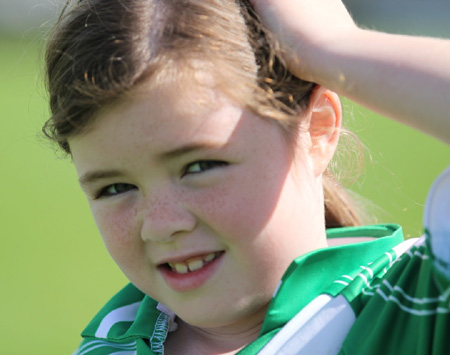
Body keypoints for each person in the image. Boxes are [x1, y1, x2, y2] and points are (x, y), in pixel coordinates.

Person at [42, 0, 450, 354]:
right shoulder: (109, 340)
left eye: (200, 166)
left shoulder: (410, 305)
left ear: (318, 130)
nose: (161, 225)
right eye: (115, 188)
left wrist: (333, 47)